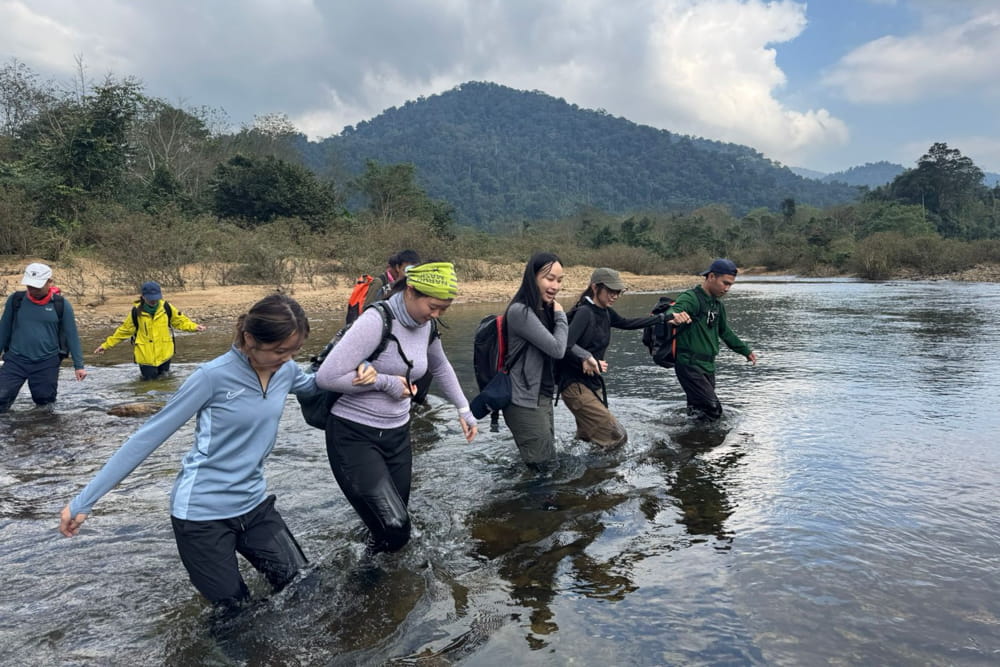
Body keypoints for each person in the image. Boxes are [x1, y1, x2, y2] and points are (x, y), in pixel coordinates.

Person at [59, 294, 322, 611]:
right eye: (280, 350)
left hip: (254, 506)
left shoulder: (287, 371)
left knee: (305, 586)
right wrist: (84, 500)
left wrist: (368, 376)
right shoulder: (211, 377)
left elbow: (318, 387)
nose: (288, 358)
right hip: (201, 516)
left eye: (295, 350)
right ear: (250, 338)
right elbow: (148, 436)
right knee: (234, 610)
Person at [316, 262, 477, 555]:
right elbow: (326, 377)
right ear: (411, 291)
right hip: (354, 436)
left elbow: (440, 365)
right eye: (433, 306)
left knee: (394, 524)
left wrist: (464, 408)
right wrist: (387, 383)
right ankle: (364, 580)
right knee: (395, 526)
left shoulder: (426, 326)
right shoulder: (376, 322)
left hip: (397, 435)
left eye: (444, 309)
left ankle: (375, 575)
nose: (437, 315)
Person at [559, 267, 691, 448]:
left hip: (591, 383)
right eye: (611, 291)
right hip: (574, 386)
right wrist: (586, 358)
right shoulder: (585, 312)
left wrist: (663, 318)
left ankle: (586, 473)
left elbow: (627, 323)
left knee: (587, 439)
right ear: (595, 287)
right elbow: (563, 345)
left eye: (618, 292)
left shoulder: (604, 310)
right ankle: (605, 473)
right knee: (616, 437)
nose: (615, 295)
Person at [501, 252, 569, 470]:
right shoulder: (520, 311)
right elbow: (557, 349)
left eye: (559, 280)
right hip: (523, 400)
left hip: (541, 396)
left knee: (548, 463)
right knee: (543, 469)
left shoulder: (541, 310)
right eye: (549, 278)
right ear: (532, 278)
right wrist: (561, 315)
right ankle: (537, 504)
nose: (555, 286)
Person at [667, 258, 756, 421]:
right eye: (725, 283)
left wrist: (745, 351)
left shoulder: (717, 305)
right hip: (689, 364)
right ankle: (704, 442)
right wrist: (675, 316)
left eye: (730, 285)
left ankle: (692, 443)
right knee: (713, 409)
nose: (727, 289)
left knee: (698, 413)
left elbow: (725, 332)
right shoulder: (691, 298)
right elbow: (673, 311)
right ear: (711, 276)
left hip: (708, 366)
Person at [0, 262, 86, 413]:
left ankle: (43, 432)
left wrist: (79, 365)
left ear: (49, 282)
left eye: (37, 286)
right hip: (15, 359)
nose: (33, 290)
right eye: (29, 286)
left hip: (47, 361)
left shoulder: (61, 305)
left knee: (45, 403)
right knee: (2, 397)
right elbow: (3, 330)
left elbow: (72, 335)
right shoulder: (16, 300)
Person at [93, 281, 206, 380]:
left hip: (165, 354)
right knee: (148, 385)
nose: (154, 301)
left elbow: (180, 321)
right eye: (150, 298)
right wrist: (106, 345)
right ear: (143, 296)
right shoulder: (135, 312)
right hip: (146, 357)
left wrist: (194, 327)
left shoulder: (166, 307)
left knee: (166, 383)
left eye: (156, 297)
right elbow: (123, 332)